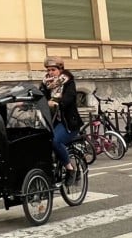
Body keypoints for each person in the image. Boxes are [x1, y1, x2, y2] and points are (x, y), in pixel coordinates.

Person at [39, 56, 82, 186]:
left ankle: (70, 169)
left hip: (68, 123)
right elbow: (39, 96)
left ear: (60, 69)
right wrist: (24, 103)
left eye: (53, 69)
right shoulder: (46, 83)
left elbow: (70, 97)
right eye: (48, 70)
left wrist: (57, 103)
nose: (50, 72)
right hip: (52, 122)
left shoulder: (68, 81)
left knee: (55, 141)